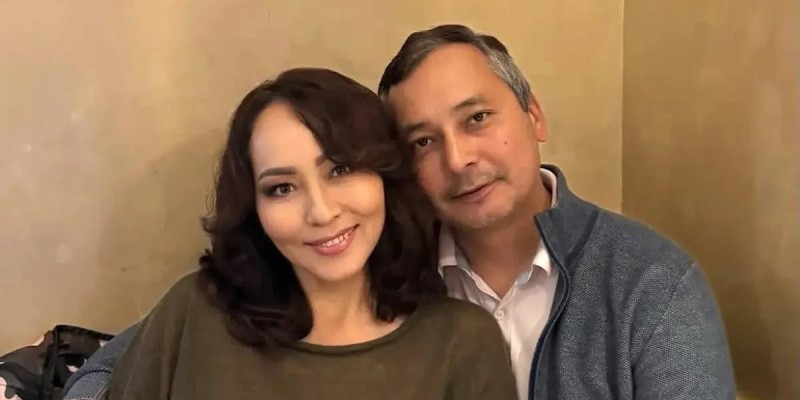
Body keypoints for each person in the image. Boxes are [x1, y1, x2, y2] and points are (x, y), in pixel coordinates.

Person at [65, 24, 736, 400]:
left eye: (477, 118)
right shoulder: (361, 258)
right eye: (422, 141)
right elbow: (108, 373)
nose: (460, 158)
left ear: (533, 116)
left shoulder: (650, 286)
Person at [100, 68, 517, 400]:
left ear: (385, 175)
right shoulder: (194, 312)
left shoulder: (462, 343)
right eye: (282, 188)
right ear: (254, 209)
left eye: (340, 170)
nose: (321, 212)